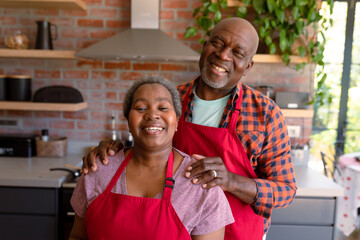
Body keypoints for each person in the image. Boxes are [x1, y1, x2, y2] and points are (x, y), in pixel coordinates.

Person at [82, 17, 297, 239]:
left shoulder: (266, 114)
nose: (223, 55)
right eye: (218, 43)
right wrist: (112, 151)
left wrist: (231, 181)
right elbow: (147, 150)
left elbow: (286, 191)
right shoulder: (171, 101)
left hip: (240, 234)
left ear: (248, 66)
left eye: (238, 53)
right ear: (205, 47)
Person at [69, 76, 234, 240]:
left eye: (163, 108)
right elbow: (77, 236)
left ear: (177, 121)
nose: (152, 114)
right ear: (128, 120)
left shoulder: (201, 185)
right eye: (141, 108)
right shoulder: (98, 170)